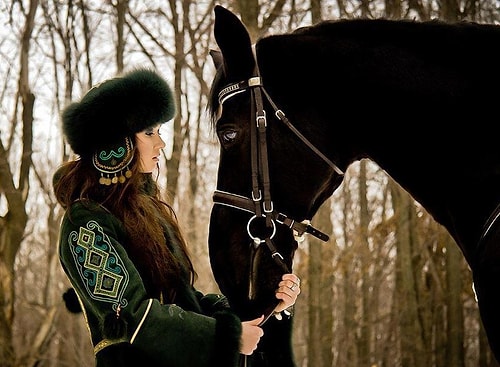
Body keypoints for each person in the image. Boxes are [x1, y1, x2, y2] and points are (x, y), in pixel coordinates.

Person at [52, 68, 301, 367]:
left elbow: (186, 301)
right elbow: (131, 315)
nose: (161, 144)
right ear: (116, 144)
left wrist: (265, 304)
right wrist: (228, 336)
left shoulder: (150, 213)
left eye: (159, 132)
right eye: (149, 132)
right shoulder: (86, 224)